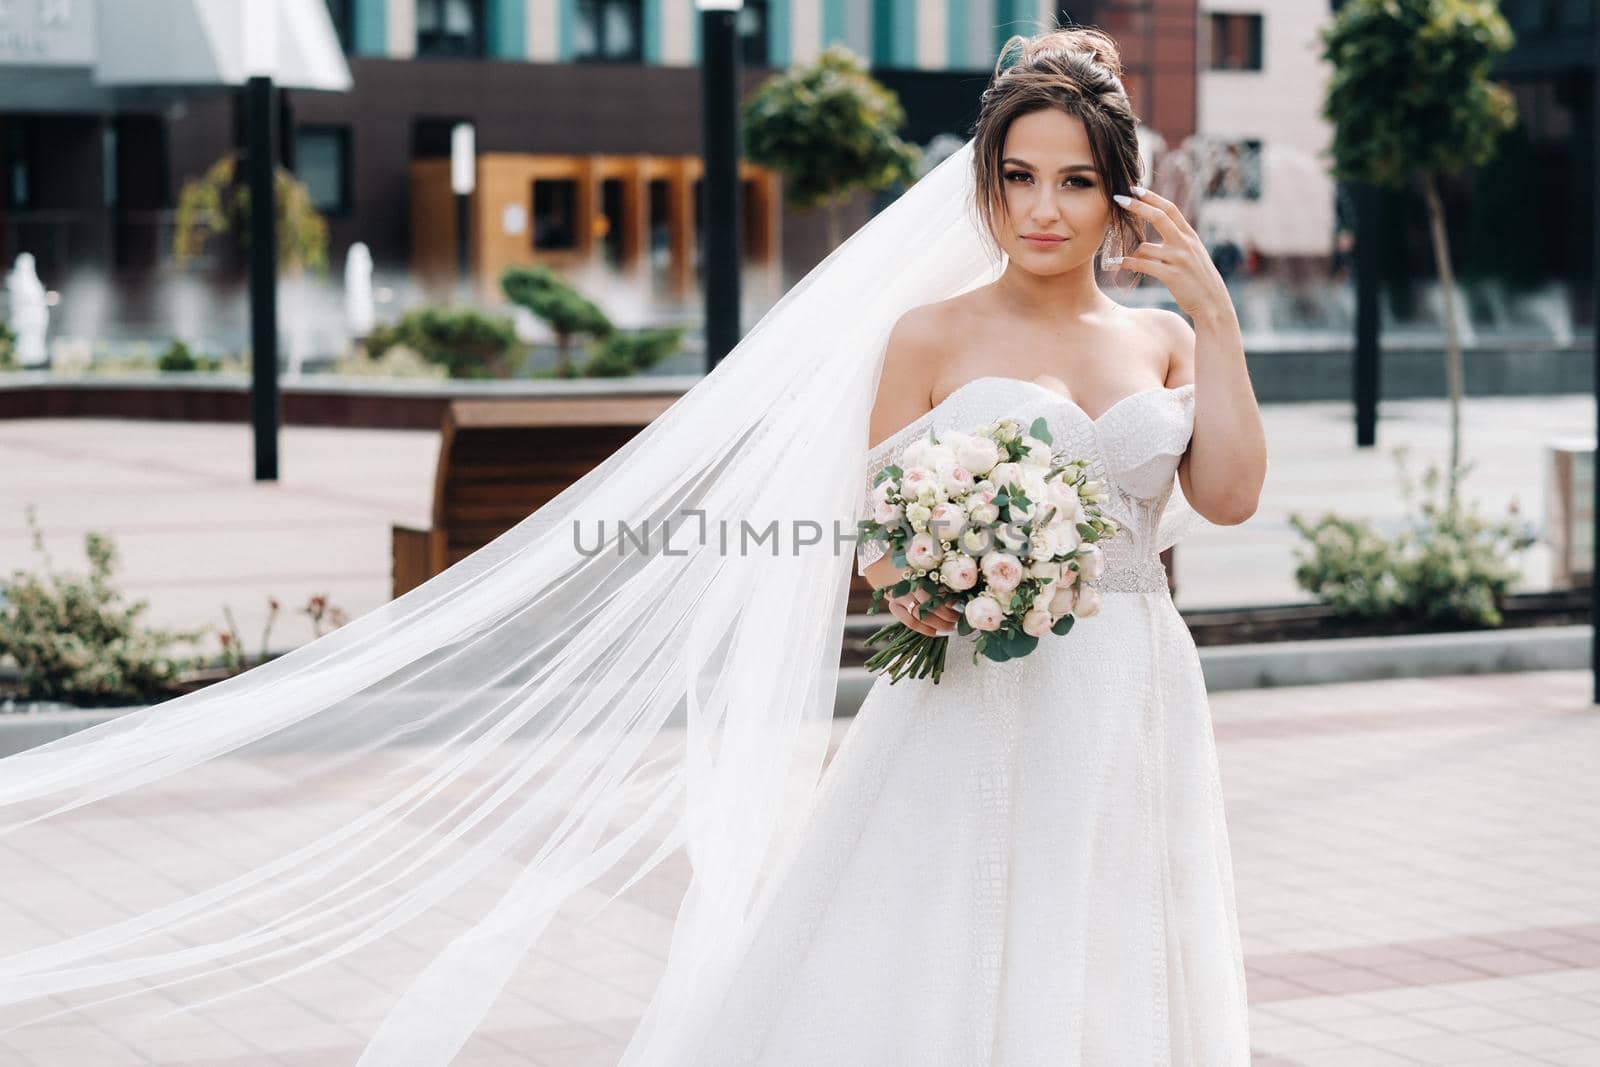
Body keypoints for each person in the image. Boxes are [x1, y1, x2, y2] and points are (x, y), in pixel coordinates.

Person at [0, 26, 1263, 1067]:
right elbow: (876, 553)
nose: (1043, 208)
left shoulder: (1161, 341)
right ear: (984, 181)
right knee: (950, 937)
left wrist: (1214, 319)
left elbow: (1229, 497)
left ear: (1120, 192)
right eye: (1020, 176)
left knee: (1107, 935)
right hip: (982, 694)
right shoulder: (927, 336)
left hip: (1133, 687)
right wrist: (965, 567)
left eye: (1076, 181)